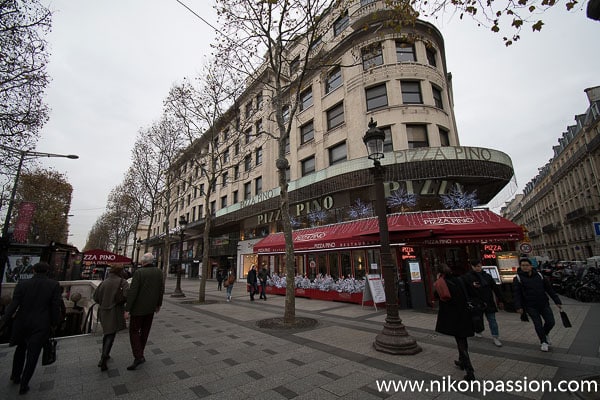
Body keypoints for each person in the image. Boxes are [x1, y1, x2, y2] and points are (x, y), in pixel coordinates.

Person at [0, 262, 61, 395]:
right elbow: (55, 307)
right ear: (47, 271)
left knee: (20, 349)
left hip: (22, 322)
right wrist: (55, 323)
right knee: (33, 354)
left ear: (33, 270)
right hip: (41, 324)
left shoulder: (22, 284)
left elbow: (13, 305)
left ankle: (15, 375)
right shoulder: (53, 285)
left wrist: (4, 320)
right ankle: (24, 383)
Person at [434, 264, 476, 381]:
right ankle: (462, 361)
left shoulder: (442, 282)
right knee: (462, 338)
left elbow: (438, 296)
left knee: (460, 341)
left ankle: (469, 370)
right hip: (464, 313)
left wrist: (438, 281)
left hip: (453, 315)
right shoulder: (460, 280)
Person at [513, 257, 562, 352]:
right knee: (538, 324)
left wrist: (557, 301)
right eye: (523, 266)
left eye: (527, 265)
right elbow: (516, 294)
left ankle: (545, 333)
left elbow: (549, 289)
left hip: (543, 303)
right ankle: (543, 341)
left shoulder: (539, 275)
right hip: (530, 305)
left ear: (531, 266)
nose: (525, 267)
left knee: (551, 321)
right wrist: (518, 306)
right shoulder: (518, 278)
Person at [125, 253, 164, 370]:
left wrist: (127, 309)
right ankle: (140, 353)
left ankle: (138, 356)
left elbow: (133, 291)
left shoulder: (139, 273)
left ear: (142, 262)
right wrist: (158, 304)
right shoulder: (158, 272)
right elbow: (161, 289)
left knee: (134, 331)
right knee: (145, 331)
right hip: (151, 308)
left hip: (138, 309)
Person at [93, 265, 129, 371]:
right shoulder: (122, 282)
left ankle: (105, 354)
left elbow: (95, 297)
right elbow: (127, 295)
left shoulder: (104, 282)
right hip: (115, 311)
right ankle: (104, 356)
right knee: (110, 334)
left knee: (107, 333)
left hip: (103, 311)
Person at [463, 260, 505, 347]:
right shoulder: (468, 277)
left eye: (479, 266)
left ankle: (495, 337)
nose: (478, 268)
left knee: (492, 320)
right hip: (476, 302)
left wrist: (500, 300)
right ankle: (478, 331)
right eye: (476, 266)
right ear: (472, 267)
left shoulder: (487, 276)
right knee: (477, 319)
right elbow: (466, 290)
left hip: (488, 301)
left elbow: (495, 288)